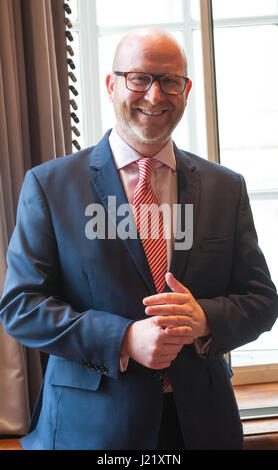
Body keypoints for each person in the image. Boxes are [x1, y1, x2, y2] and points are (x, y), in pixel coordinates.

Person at [0, 27, 277, 451]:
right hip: (90, 429)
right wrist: (124, 338)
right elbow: (21, 307)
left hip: (203, 427)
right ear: (112, 86)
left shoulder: (227, 188)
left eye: (169, 81)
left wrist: (202, 318)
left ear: (186, 91)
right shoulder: (49, 185)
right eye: (139, 78)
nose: (155, 95)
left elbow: (261, 300)